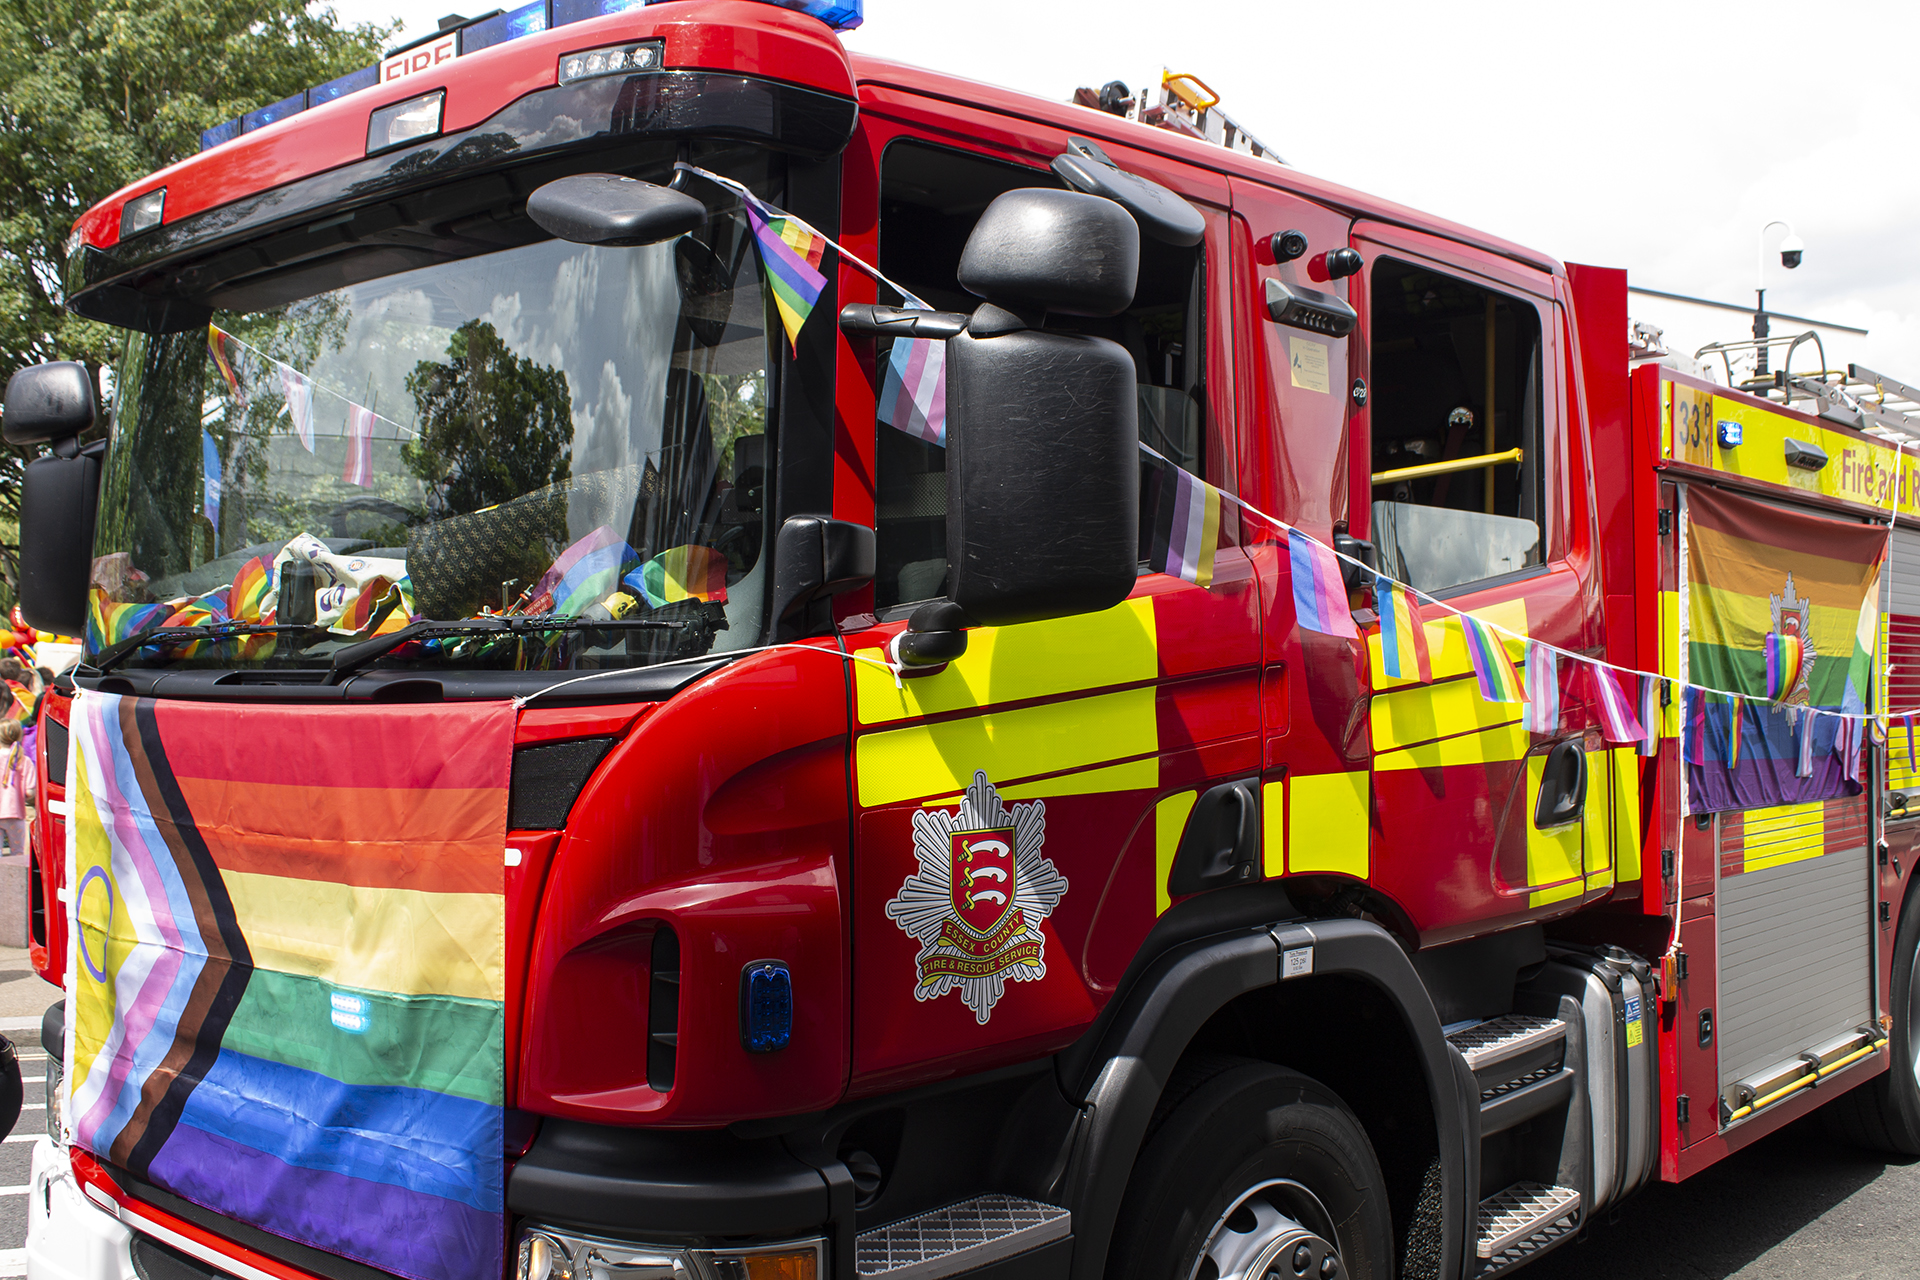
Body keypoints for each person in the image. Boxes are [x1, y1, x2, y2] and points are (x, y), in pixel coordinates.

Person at [0, 720, 32, 858]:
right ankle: (15, 879)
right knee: (17, 854)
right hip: (15, 814)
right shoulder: (24, 761)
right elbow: (29, 792)